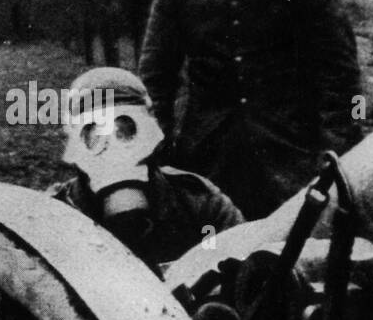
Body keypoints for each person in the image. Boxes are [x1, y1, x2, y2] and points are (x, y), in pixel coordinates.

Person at [139, 0, 363, 219]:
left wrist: (337, 149)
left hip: (293, 157)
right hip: (209, 162)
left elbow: (339, 68)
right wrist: (158, 158)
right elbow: (156, 77)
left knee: (298, 260)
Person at [49, 67, 243, 272]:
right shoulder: (54, 219)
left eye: (126, 131)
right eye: (96, 136)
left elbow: (239, 272)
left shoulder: (201, 207)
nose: (114, 149)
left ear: (152, 130)